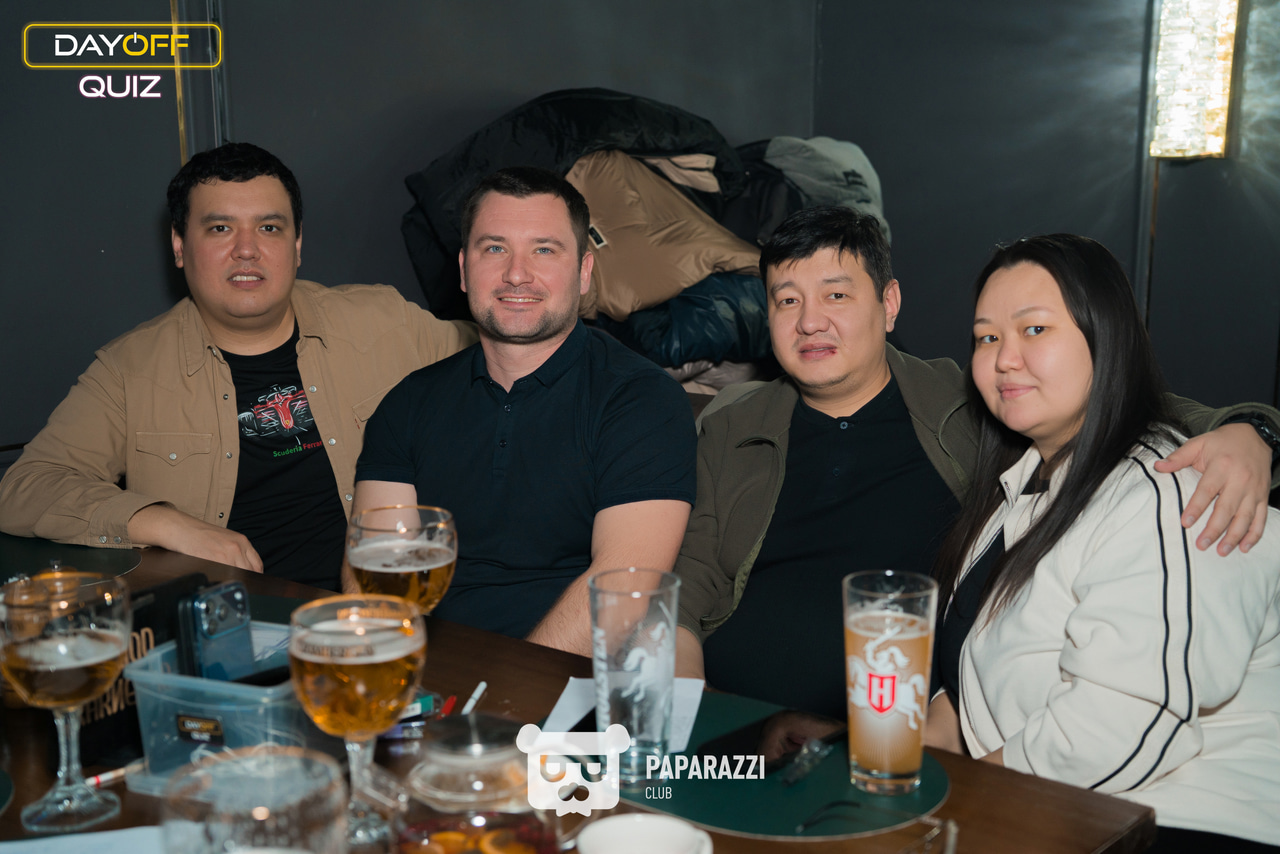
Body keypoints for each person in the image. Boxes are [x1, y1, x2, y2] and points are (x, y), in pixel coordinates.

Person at [674, 207, 1279, 720]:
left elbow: (1121, 398)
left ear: (889, 303)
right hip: (734, 719)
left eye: (836, 294)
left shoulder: (974, 403)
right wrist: (686, 706)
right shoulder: (734, 423)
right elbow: (692, 575)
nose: (810, 321)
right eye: (787, 300)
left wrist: (1253, 430)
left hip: (899, 728)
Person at [925, 235, 1279, 851]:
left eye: (1034, 329)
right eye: (986, 338)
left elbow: (1126, 725)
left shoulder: (1171, 492)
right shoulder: (1021, 492)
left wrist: (967, 793)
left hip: (1181, 820)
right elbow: (971, 690)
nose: (1005, 358)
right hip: (1064, 810)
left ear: (1105, 338)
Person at [0, 143, 477, 591]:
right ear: (179, 245)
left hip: (386, 606)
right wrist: (167, 523)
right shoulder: (129, 370)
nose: (246, 249)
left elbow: (500, 356)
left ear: (297, 244)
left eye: (269, 228)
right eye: (220, 228)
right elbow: (24, 488)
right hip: (238, 626)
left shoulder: (383, 321)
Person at [350, 167, 696, 652]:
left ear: (584, 272)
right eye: (495, 248)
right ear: (463, 269)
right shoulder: (409, 402)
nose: (517, 273)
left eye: (544, 250)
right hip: (426, 670)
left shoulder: (641, 401)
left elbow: (622, 591)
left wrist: (505, 689)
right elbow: (374, 577)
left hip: (566, 676)